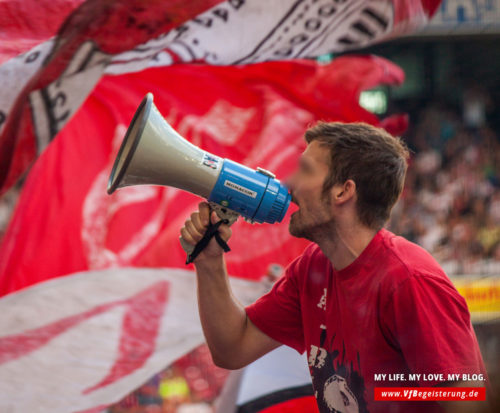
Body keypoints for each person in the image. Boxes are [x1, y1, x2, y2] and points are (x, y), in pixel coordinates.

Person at [180, 122, 489, 413]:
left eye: (305, 170)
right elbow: (232, 348)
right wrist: (209, 261)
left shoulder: (408, 279)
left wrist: (382, 388)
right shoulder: (311, 268)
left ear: (343, 191)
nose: (289, 184)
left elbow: (470, 398)